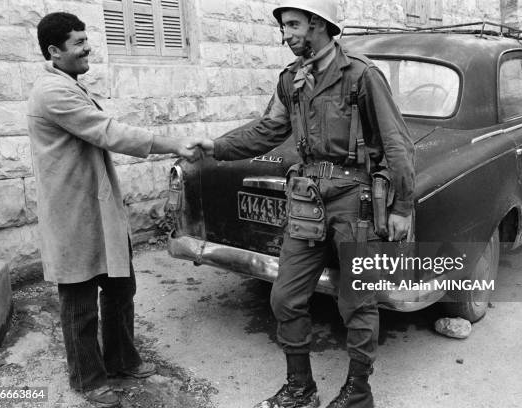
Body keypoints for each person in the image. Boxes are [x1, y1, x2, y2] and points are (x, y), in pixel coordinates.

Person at [183, 1, 415, 407]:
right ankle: (300, 387)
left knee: (358, 300)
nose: (285, 34)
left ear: (319, 24)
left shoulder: (361, 75)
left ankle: (358, 393)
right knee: (285, 297)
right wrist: (216, 146)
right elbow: (266, 130)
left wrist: (402, 207)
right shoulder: (291, 79)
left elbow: (397, 143)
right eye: (284, 26)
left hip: (354, 200)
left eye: (293, 25)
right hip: (308, 201)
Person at [28, 12, 192, 408]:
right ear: (54, 51)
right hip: (73, 214)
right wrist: (174, 144)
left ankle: (121, 360)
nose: (89, 48)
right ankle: (87, 379)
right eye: (79, 43)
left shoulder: (68, 84)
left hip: (97, 209)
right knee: (79, 302)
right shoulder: (53, 92)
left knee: (121, 288)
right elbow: (110, 132)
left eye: (87, 40)